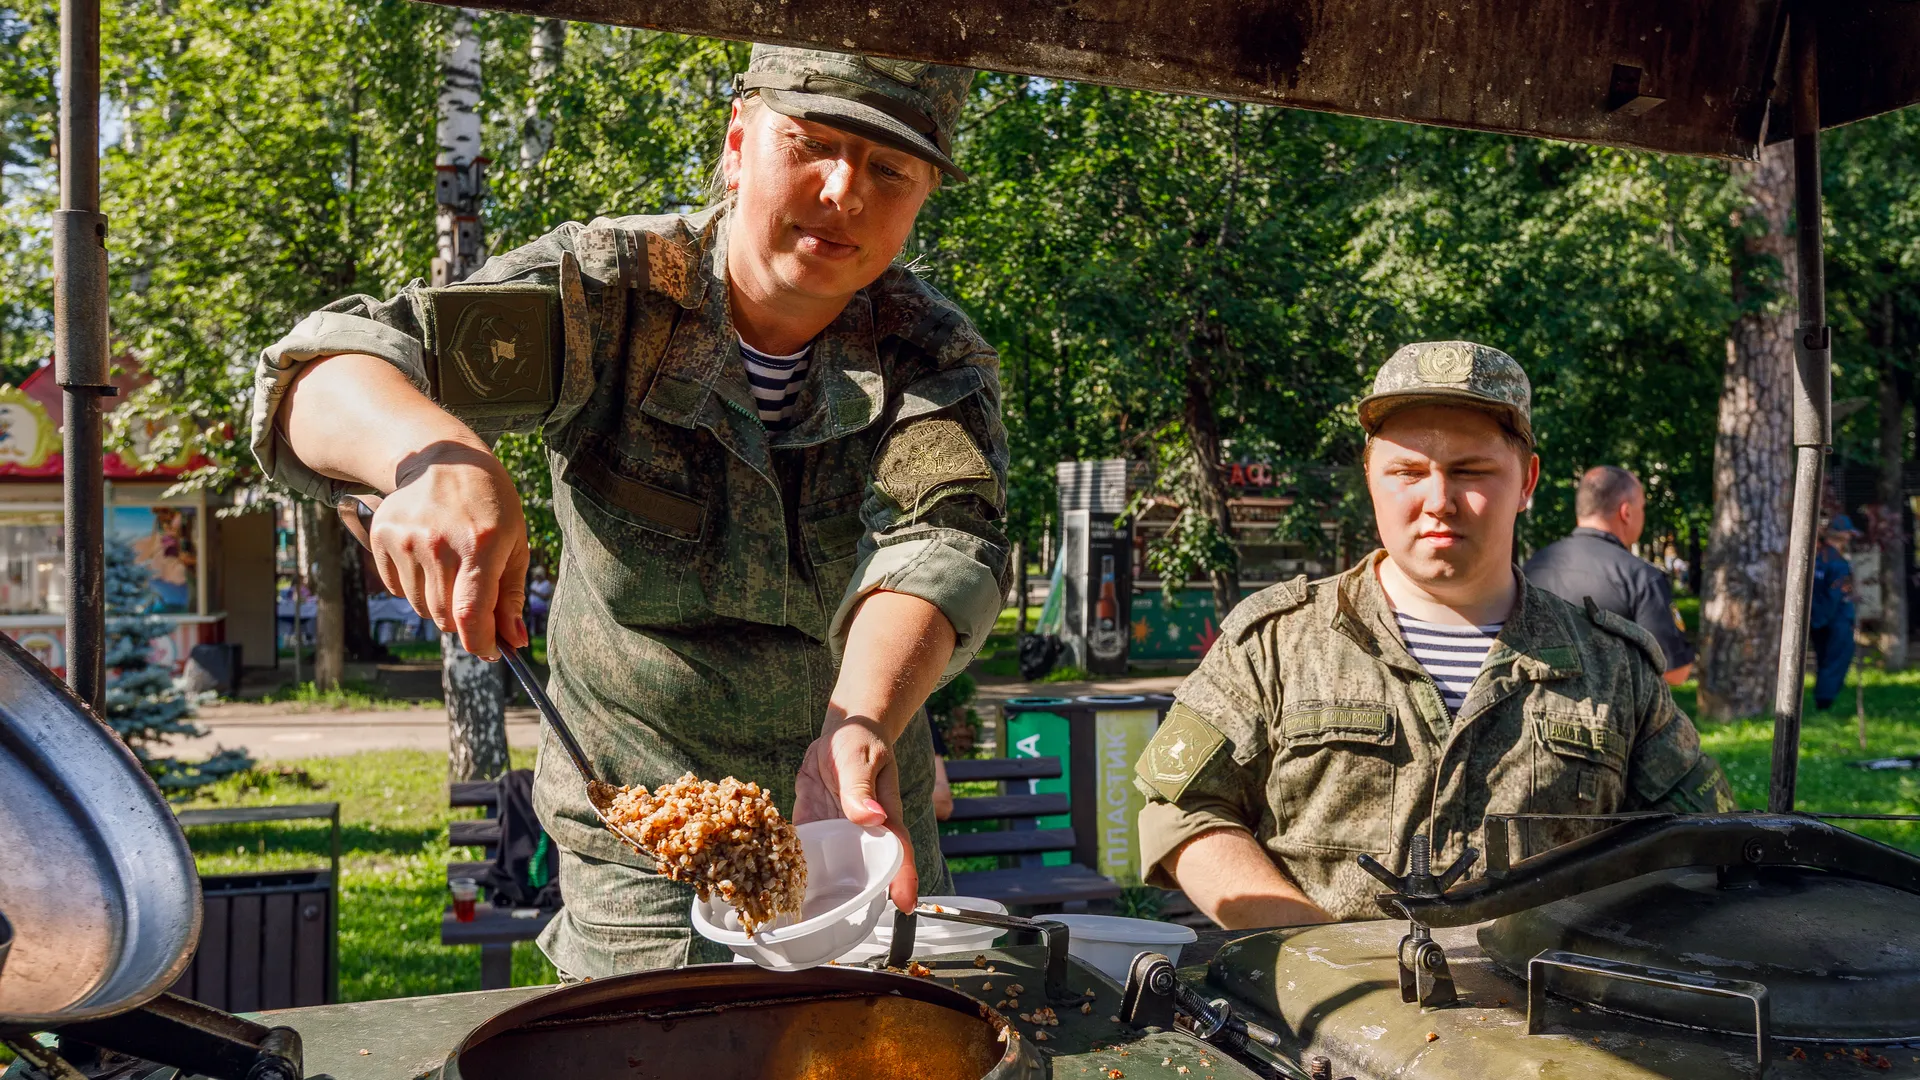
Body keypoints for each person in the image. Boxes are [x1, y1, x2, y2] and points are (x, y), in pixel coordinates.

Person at [251, 46, 1008, 976]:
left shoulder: (931, 354)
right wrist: (432, 457)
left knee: (888, 1040)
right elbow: (325, 369)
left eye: (889, 169)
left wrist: (861, 724)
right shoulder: (612, 295)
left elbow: (940, 545)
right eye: (811, 143)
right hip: (644, 847)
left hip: (861, 820)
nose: (844, 190)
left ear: (923, 196)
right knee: (660, 1040)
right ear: (738, 144)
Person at [1133, 341, 1734, 929]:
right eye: (1408, 471)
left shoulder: (1613, 666)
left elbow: (1706, 846)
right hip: (1314, 997)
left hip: (1543, 995)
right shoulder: (1275, 642)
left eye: (1471, 471)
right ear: (1370, 476)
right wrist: (1319, 956)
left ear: (1527, 481)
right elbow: (1182, 808)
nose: (1439, 501)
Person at [1523, 466, 1695, 685]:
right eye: (1642, 507)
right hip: (1612, 706)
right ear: (1626, 512)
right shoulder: (1641, 578)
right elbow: (1675, 673)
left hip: (1535, 703)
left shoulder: (1533, 567)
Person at [1810, 515, 1861, 710]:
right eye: (1848, 534)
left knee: (1824, 659)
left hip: (1818, 619)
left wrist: (1816, 620)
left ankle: (1822, 698)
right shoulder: (1839, 563)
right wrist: (1824, 619)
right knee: (1837, 659)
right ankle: (1825, 701)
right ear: (1842, 535)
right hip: (1835, 620)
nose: (1850, 538)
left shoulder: (1817, 558)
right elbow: (1834, 594)